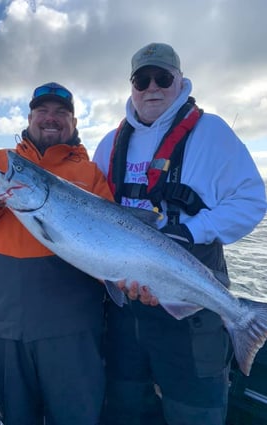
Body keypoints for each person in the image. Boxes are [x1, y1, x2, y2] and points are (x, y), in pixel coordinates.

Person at [93, 43, 267, 425]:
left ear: (180, 81)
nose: (152, 87)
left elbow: (253, 199)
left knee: (195, 411)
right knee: (125, 404)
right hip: (126, 309)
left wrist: (193, 230)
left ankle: (244, 324)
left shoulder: (212, 133)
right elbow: (93, 216)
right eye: (142, 79)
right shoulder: (108, 144)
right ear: (132, 86)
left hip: (194, 311)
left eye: (163, 78)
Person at [0, 82, 114, 425]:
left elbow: (113, 243)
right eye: (43, 110)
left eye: (61, 112)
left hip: (73, 334)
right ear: (29, 117)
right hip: (4, 329)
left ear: (74, 121)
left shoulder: (90, 175)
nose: (51, 118)